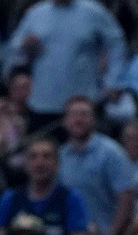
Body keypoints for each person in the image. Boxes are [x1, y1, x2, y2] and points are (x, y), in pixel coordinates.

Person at [2, 0, 126, 130]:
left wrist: (113, 80)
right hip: (43, 103)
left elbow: (117, 43)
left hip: (83, 102)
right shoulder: (36, 14)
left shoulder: (93, 11)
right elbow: (13, 49)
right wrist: (25, 48)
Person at [57, 96, 137, 234]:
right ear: (65, 121)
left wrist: (113, 232)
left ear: (93, 119)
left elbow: (126, 198)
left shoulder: (111, 153)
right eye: (73, 115)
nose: (78, 120)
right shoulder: (61, 155)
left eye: (84, 114)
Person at [0, 138, 89, 235]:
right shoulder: (9, 198)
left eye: (47, 156)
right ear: (25, 163)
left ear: (57, 163)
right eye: (33, 157)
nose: (40, 163)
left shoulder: (71, 198)